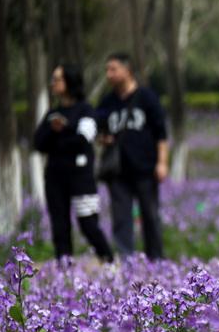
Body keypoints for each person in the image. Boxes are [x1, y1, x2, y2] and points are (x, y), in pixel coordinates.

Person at [34, 64, 114, 263]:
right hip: (55, 176)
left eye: (57, 79)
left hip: (81, 177)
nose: (53, 83)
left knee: (88, 223)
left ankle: (109, 262)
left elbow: (83, 139)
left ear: (69, 82)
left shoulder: (85, 110)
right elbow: (39, 143)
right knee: (59, 226)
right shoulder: (53, 113)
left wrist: (65, 129)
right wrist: (54, 131)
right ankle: (65, 271)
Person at [96, 52, 169, 260]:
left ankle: (156, 261)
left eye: (113, 69)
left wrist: (162, 162)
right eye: (107, 70)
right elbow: (97, 128)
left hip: (145, 168)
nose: (109, 74)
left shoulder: (146, 97)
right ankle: (127, 261)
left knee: (150, 216)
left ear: (127, 70)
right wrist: (103, 139)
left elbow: (161, 133)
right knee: (121, 219)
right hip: (118, 171)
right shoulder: (107, 102)